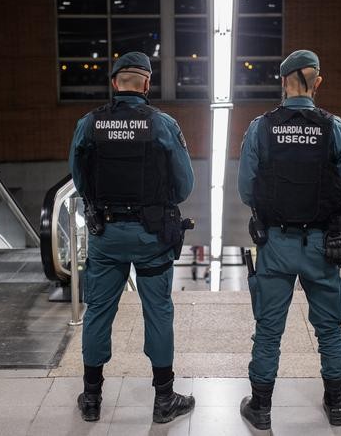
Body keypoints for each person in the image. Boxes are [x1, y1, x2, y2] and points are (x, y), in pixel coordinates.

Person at [69, 51, 196, 423]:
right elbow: (185, 185)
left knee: (98, 313)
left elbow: (79, 179)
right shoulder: (162, 124)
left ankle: (92, 397)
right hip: (151, 236)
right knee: (158, 312)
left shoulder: (88, 124)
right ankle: (164, 399)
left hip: (106, 235)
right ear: (146, 84)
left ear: (114, 83)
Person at [237, 50, 341, 429]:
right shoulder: (334, 128)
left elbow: (245, 188)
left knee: (269, 329)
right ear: (317, 82)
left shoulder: (261, 127)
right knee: (330, 328)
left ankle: (261, 406)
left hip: (276, 244)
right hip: (324, 245)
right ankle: (336, 405)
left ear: (283, 82)